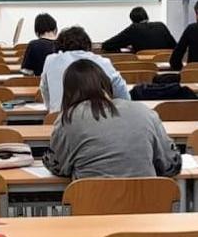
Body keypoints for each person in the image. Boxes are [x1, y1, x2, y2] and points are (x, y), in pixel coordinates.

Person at [42, 60, 181, 180]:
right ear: (106, 83)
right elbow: (172, 165)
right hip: (146, 206)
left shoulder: (68, 118)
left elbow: (57, 166)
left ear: (68, 92)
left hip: (92, 205)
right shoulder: (145, 112)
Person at [40, 26, 129, 114]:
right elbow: (121, 91)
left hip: (58, 119)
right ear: (87, 44)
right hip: (97, 119)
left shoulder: (51, 60)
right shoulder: (102, 62)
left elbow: (44, 88)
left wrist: (51, 110)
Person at [101, 7, 177, 53]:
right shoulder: (161, 25)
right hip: (164, 64)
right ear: (147, 17)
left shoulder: (134, 28)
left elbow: (108, 45)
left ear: (133, 20)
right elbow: (174, 46)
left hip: (143, 65)